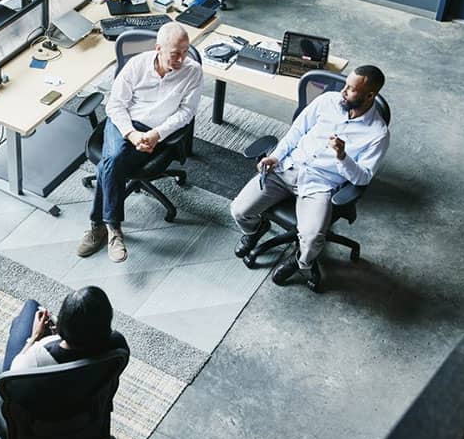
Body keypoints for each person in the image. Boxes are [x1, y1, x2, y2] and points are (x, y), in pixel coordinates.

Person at [230, 65, 390, 290]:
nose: (343, 92)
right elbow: (296, 131)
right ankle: (255, 230)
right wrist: (275, 157)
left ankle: (301, 263)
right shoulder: (327, 101)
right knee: (239, 210)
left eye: (351, 89)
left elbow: (362, 178)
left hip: (320, 184)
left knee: (313, 238)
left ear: (370, 95)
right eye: (345, 85)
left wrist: (342, 156)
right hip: (289, 167)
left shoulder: (377, 134)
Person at [77, 22, 203, 263]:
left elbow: (186, 113)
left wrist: (157, 134)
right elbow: (115, 104)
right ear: (159, 49)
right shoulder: (137, 65)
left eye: (185, 52)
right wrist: (131, 134)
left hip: (157, 131)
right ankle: (113, 229)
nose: (181, 59)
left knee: (108, 164)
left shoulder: (193, 71)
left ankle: (98, 227)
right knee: (112, 159)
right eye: (175, 54)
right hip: (124, 123)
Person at [2, 286, 127, 372]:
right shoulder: (118, 347)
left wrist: (35, 337)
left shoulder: (34, 360)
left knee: (30, 306)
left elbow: (12, 374)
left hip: (37, 407)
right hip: (86, 407)